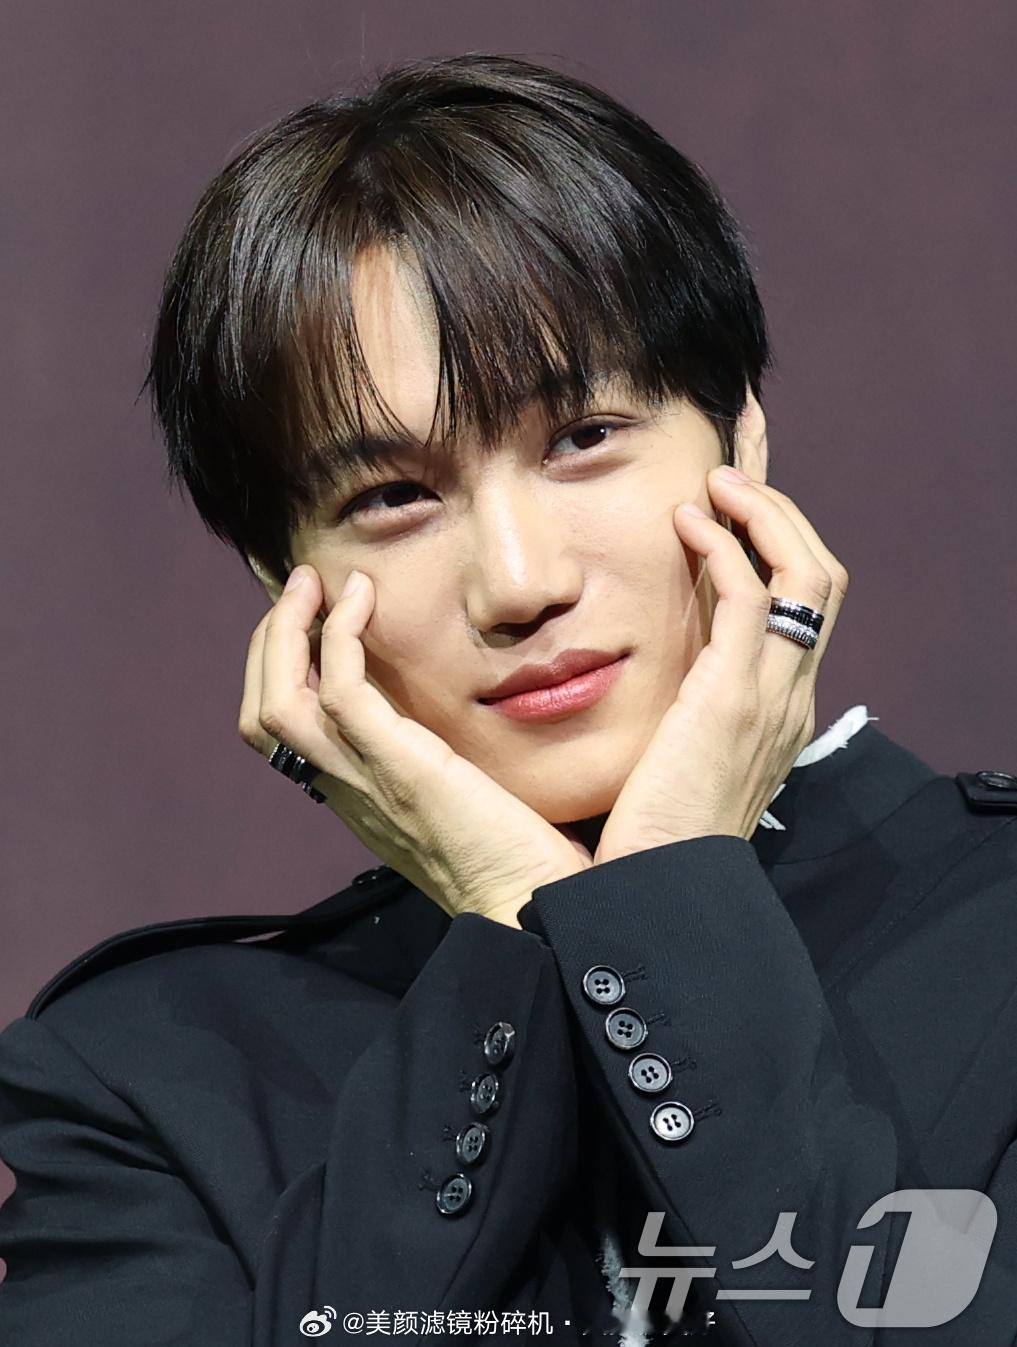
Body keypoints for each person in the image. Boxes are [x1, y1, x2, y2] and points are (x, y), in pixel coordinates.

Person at [1, 50, 1017, 1347]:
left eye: (583, 438)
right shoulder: (147, 1077)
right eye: (392, 498)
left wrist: (666, 896)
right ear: (281, 579)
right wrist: (507, 922)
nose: (520, 584)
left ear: (740, 441)